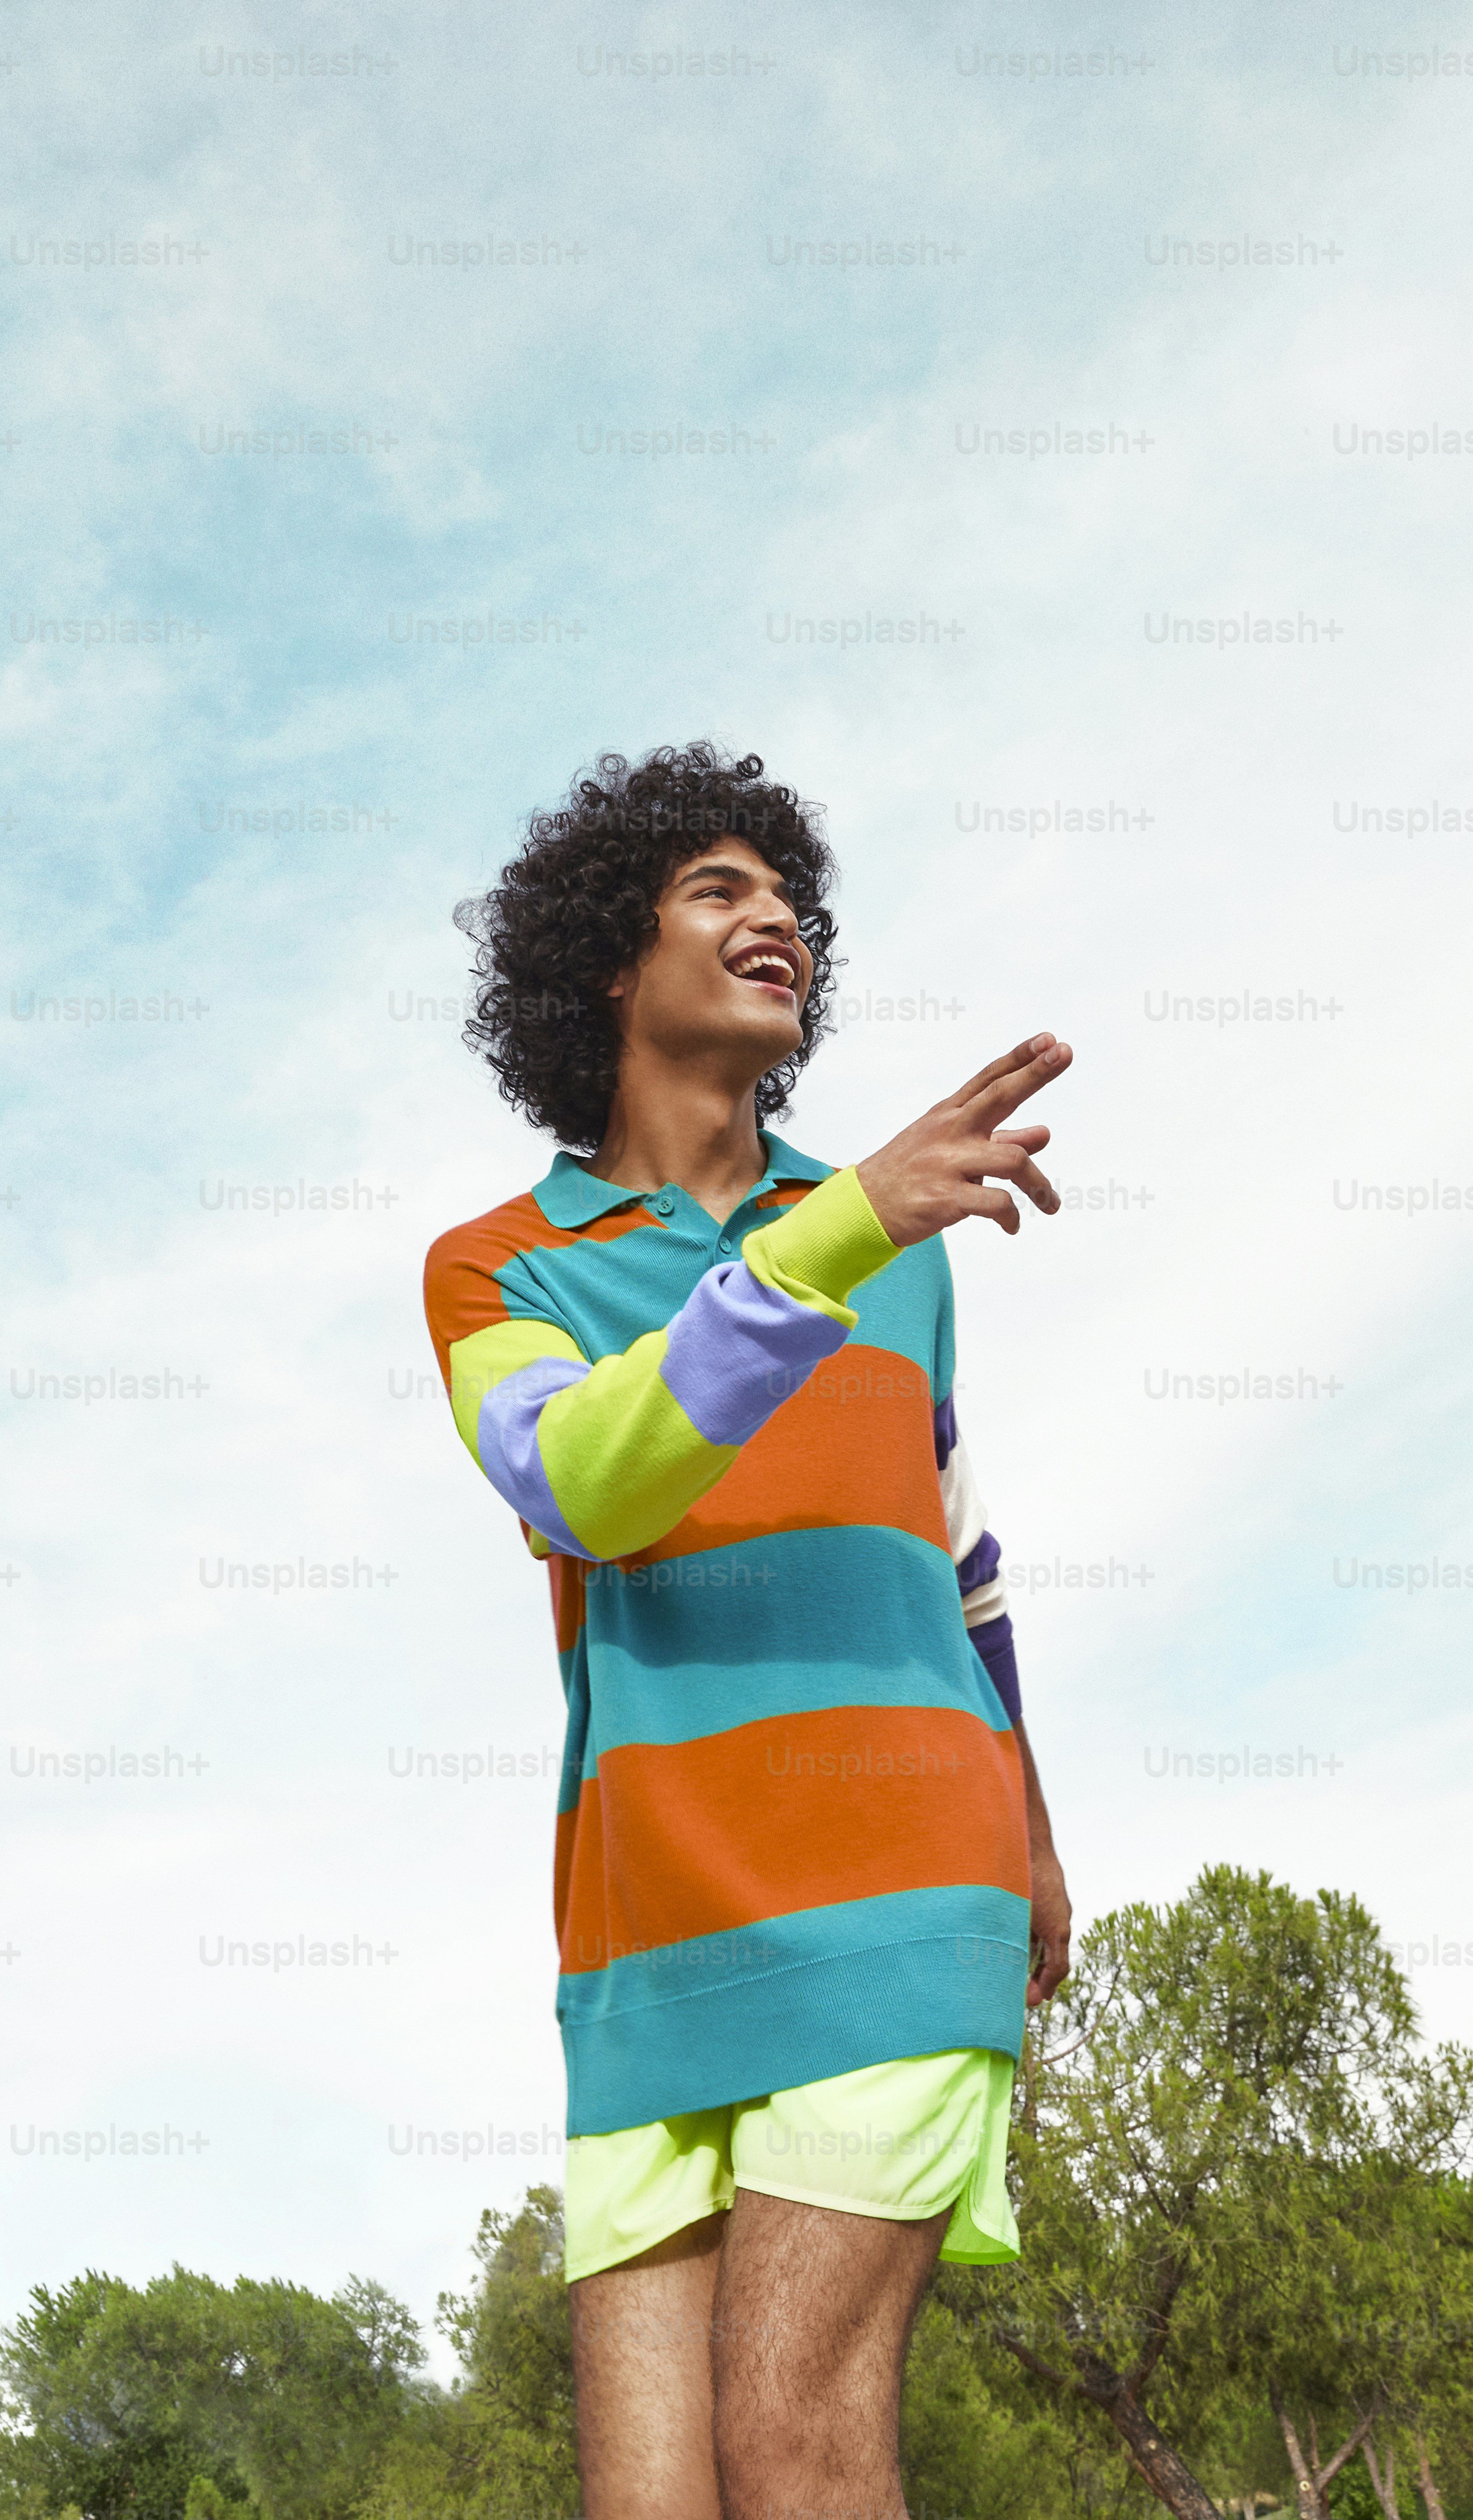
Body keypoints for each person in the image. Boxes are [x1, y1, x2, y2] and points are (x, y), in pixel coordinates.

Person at [422, 742, 1072, 2520]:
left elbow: (963, 1561)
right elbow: (580, 1480)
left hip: (899, 1881)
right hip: (645, 1931)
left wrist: (1031, 1832)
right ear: (605, 964)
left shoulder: (898, 1252)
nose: (774, 914)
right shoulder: (496, 1268)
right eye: (718, 888)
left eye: (789, 897)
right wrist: (834, 1238)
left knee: (794, 2444)